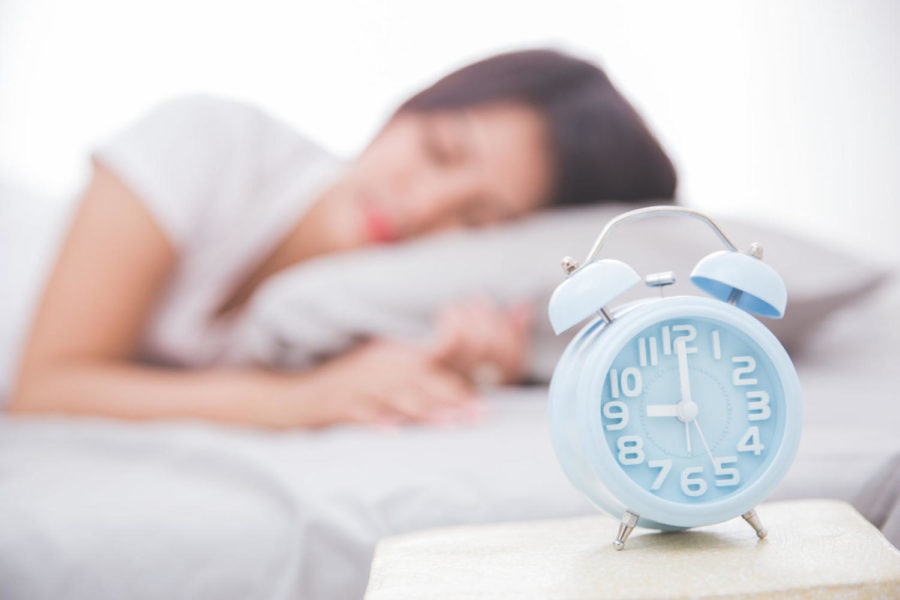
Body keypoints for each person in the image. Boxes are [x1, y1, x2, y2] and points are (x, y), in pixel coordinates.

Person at [8, 48, 676, 429]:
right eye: (440, 151)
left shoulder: (382, 309)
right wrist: (293, 403)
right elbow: (43, 388)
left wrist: (472, 371)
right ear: (412, 104)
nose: (423, 207)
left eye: (477, 222)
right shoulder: (207, 141)